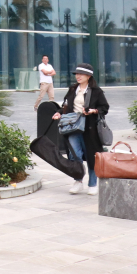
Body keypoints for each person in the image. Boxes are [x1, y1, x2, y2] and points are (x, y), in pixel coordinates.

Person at [52, 63, 109, 196]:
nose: (78, 76)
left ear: (88, 76)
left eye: (81, 74)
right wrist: (59, 112)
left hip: (90, 128)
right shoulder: (73, 89)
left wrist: (94, 110)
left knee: (91, 156)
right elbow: (65, 105)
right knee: (74, 155)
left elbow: (104, 108)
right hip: (73, 127)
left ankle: (93, 183)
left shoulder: (96, 91)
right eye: (76, 74)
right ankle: (78, 180)